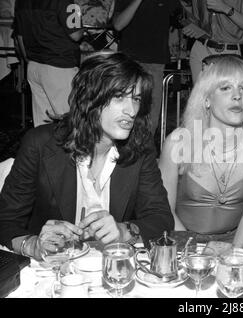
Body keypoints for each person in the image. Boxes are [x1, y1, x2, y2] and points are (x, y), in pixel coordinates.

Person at [0, 52, 174, 260]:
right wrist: (32, 245)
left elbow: (161, 219)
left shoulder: (139, 147)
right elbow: (5, 220)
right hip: (54, 270)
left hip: (111, 267)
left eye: (136, 99)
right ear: (90, 98)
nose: (131, 110)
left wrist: (124, 231)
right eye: (119, 97)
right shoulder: (41, 144)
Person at [158, 54, 243, 248]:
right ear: (206, 99)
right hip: (180, 243)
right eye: (225, 88)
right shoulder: (178, 143)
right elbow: (164, 210)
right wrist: (196, 250)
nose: (237, 95)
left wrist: (233, 252)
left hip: (234, 246)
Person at [113, 0, 182, 136]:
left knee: (150, 117)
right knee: (123, 112)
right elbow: (118, 25)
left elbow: (181, 18)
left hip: (155, 62)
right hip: (129, 62)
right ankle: (121, 152)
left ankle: (145, 152)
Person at [14, 0, 84, 127]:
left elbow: (19, 36)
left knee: (43, 125)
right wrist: (78, 12)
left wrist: (28, 59)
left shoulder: (21, 1)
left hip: (34, 65)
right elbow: (76, 35)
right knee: (69, 123)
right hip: (59, 66)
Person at [180, 0, 243, 83]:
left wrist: (225, 8)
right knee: (199, 95)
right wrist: (192, 28)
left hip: (228, 54)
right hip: (200, 49)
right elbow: (196, 19)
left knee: (224, 94)